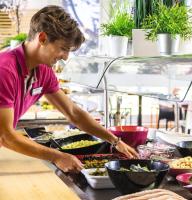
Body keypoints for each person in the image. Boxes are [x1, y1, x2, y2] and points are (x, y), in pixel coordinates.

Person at [0, 5, 138, 173]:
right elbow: (6, 136)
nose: (65, 57)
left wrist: (115, 141)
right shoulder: (5, 70)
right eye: (63, 48)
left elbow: (73, 112)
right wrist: (56, 156)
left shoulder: (43, 71)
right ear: (42, 38)